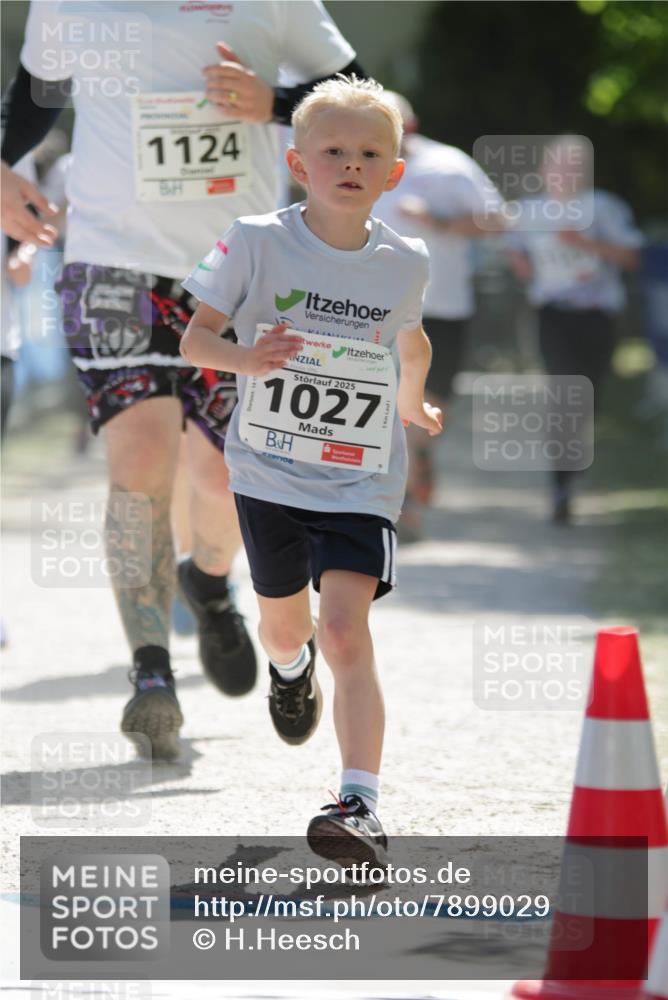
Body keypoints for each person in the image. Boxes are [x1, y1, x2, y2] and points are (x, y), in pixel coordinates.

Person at [1, 0, 366, 760]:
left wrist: (276, 104)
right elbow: (37, 96)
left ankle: (207, 580)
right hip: (110, 259)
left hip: (237, 270)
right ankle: (151, 675)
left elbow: (364, 98)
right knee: (138, 461)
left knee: (226, 474)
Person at [179, 76, 443, 861]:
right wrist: (245, 357)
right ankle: (287, 669)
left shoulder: (406, 260)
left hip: (363, 479)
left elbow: (412, 340)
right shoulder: (256, 238)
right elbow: (196, 339)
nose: (351, 164)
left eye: (370, 153)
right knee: (289, 626)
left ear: (394, 172)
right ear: (299, 163)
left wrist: (414, 403)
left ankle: (359, 801)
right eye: (333, 151)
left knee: (345, 628)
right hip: (267, 473)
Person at [375, 93, 505, 539]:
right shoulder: (358, 165)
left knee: (427, 408)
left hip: (442, 307)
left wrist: (440, 221)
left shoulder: (447, 165)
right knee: (389, 409)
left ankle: (415, 469)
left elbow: (497, 220)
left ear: (410, 127)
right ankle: (400, 506)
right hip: (380, 311)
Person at [505, 134, 642, 523]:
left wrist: (584, 243)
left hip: (598, 314)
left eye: (573, 166)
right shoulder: (528, 211)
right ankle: (561, 485)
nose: (565, 173)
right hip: (553, 313)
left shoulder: (604, 207)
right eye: (558, 165)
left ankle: (575, 451)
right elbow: (512, 245)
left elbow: (631, 256)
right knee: (564, 393)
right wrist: (522, 263)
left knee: (589, 397)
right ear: (544, 170)